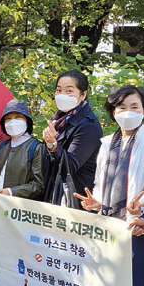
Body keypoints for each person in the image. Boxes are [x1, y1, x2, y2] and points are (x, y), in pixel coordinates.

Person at [75, 85, 144, 286]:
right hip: (108, 229)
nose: (128, 113)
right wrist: (96, 203)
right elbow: (99, 184)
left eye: (135, 107)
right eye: (122, 108)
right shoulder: (107, 143)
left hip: (137, 231)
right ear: (113, 113)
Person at [0, 99, 46, 242]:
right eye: (8, 118)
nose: (12, 122)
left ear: (27, 121)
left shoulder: (36, 147)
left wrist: (11, 192)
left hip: (22, 213)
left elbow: (39, 185)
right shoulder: (1, 147)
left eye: (18, 117)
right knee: (0, 252)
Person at [43, 70, 102, 207]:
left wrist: (52, 144)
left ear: (83, 95)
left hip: (76, 199)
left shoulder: (88, 125)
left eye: (69, 91)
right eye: (59, 90)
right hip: (56, 193)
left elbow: (69, 166)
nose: (62, 95)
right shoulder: (59, 119)